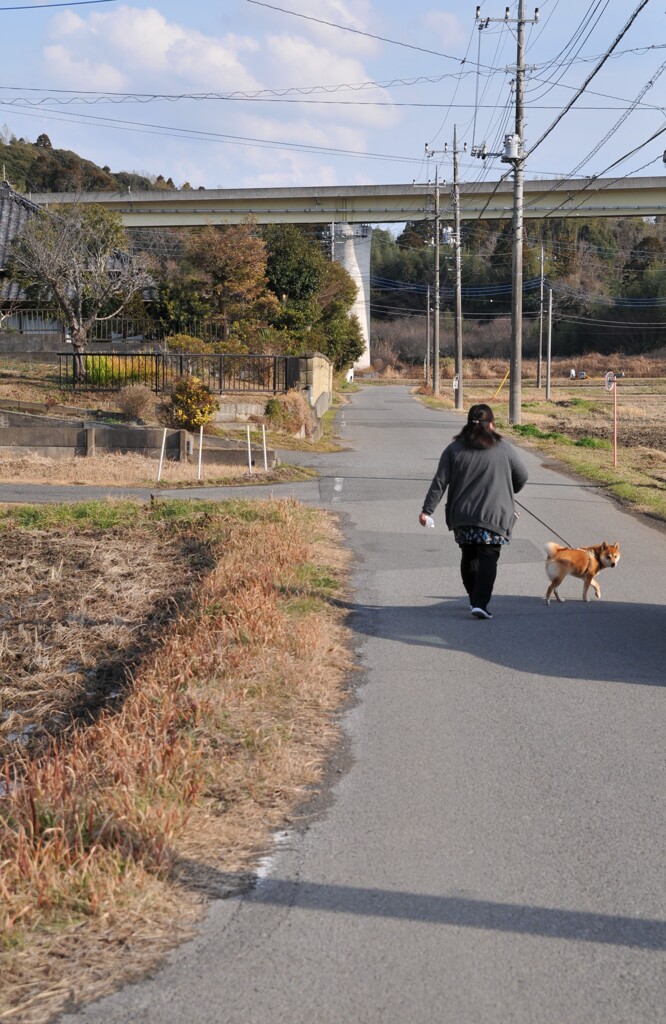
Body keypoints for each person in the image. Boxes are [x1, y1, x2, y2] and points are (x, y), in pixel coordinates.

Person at [419, 403, 529, 620]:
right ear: (492, 424)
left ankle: (473, 598)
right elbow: (522, 476)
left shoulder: (454, 449)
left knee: (469, 553)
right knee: (489, 555)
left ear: (468, 424)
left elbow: (440, 482)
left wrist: (427, 510)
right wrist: (509, 489)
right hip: (494, 514)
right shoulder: (504, 448)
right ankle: (480, 602)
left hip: (463, 514)